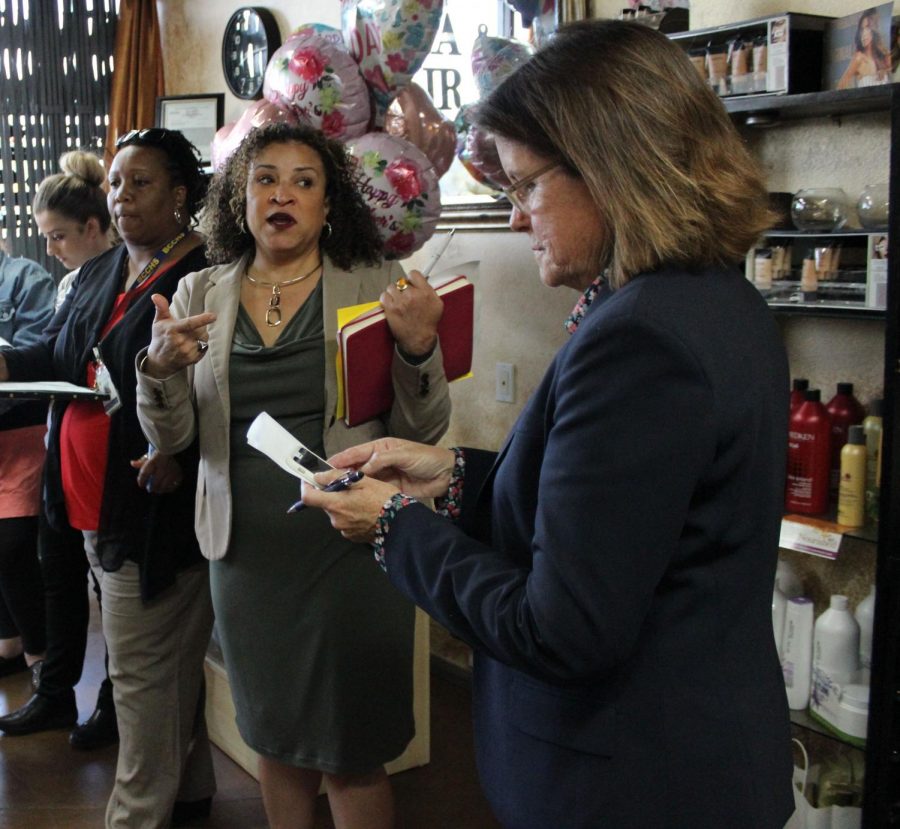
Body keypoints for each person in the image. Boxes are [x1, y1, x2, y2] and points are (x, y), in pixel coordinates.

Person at [304, 21, 795, 829]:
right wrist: (452, 473)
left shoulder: (641, 339)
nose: (518, 218)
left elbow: (559, 627)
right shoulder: (717, 299)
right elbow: (621, 512)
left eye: (526, 186)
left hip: (632, 782)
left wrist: (394, 527)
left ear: (610, 168)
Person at [135, 122, 451, 829]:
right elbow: (174, 435)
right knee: (275, 738)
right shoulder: (195, 293)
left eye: (304, 182)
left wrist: (420, 346)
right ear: (239, 199)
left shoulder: (377, 284)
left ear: (329, 203)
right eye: (265, 179)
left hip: (351, 544)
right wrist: (157, 368)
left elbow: (421, 432)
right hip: (248, 553)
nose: (283, 194)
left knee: (351, 748)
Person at [0, 128, 215, 829]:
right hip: (85, 496)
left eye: (141, 182)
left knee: (140, 676)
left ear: (180, 194)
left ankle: (136, 814)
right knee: (163, 664)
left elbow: (216, 393)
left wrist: (176, 448)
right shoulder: (102, 269)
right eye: (116, 183)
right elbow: (58, 350)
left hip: (151, 505)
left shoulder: (202, 274)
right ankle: (190, 792)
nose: (122, 195)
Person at [0, 149, 119, 750]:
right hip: (60, 447)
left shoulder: (124, 275)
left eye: (59, 237)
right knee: (60, 575)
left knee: (107, 588)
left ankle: (112, 702)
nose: (50, 250)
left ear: (94, 227)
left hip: (102, 453)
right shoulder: (74, 282)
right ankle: (54, 693)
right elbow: (49, 350)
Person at [0, 239, 55, 688]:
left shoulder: (24, 277)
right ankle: (10, 643)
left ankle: (41, 658)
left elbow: (36, 355)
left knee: (13, 546)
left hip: (21, 428)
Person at [837, 7, 891, 89]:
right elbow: (840, 86)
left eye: (867, 28)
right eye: (862, 29)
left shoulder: (884, 55)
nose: (863, 33)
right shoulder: (859, 58)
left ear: (874, 30)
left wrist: (884, 71)